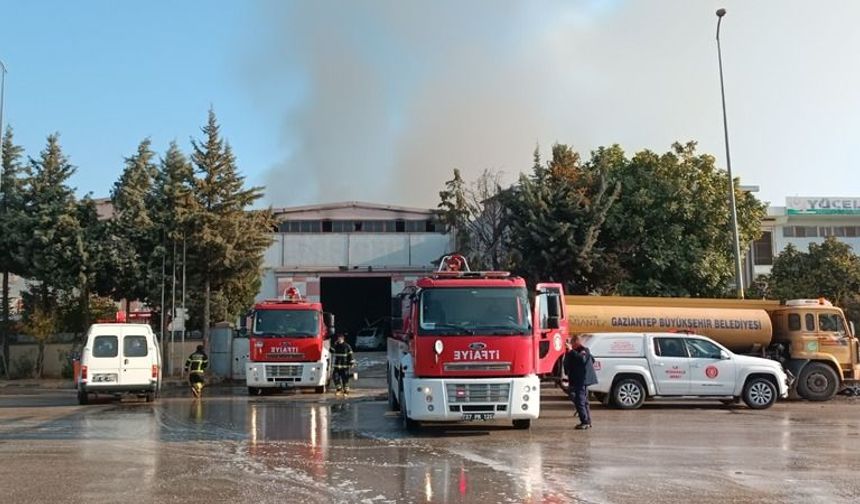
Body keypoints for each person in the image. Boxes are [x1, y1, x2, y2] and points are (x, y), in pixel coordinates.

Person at [563, 334, 598, 430]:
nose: (571, 345)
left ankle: (585, 421)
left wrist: (571, 351)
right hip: (576, 379)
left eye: (572, 343)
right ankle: (587, 421)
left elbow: (581, 359)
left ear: (576, 342)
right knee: (583, 401)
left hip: (581, 380)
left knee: (580, 401)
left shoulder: (584, 350)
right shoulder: (573, 351)